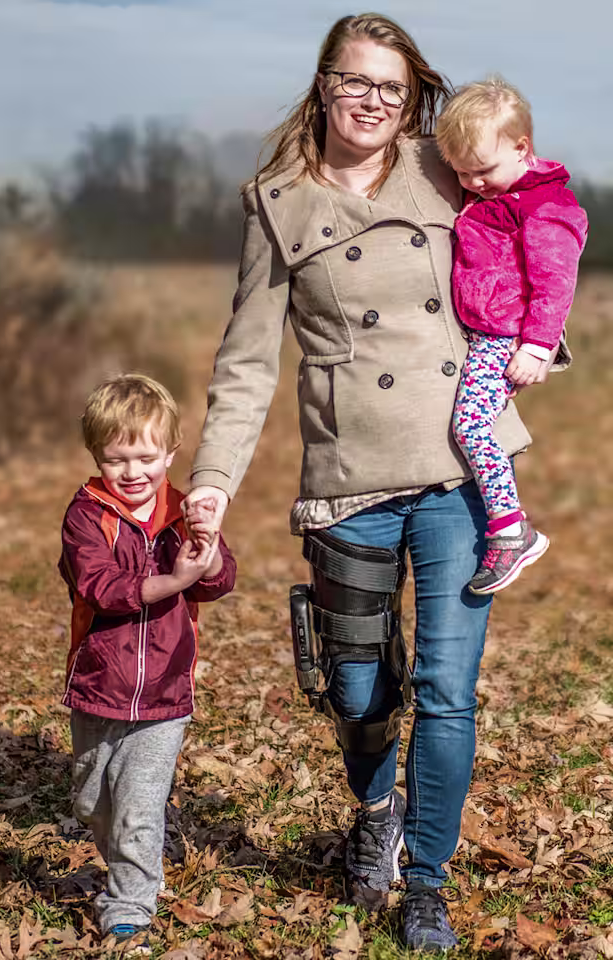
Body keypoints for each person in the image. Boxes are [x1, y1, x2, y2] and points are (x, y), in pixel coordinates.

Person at [183, 13, 569, 952]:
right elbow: (245, 364)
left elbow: (541, 226)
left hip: (458, 475)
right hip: (349, 478)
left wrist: (539, 336)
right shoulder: (276, 202)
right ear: (323, 84)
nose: (372, 102)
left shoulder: (444, 167)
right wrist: (209, 487)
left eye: (392, 89)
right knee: (358, 691)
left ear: (414, 99)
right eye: (356, 83)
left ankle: (426, 879)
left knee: (445, 688)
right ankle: (374, 812)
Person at [59, 374, 236, 952]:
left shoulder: (185, 511)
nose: (133, 472)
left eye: (146, 457)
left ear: (171, 453)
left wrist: (205, 555)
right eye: (117, 460)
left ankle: (130, 904)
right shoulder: (86, 516)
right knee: (91, 799)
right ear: (97, 458)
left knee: (139, 806)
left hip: (165, 691)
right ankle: (123, 862)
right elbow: (100, 585)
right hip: (97, 683)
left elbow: (220, 581)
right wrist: (172, 580)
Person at [434, 77, 587, 595]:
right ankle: (506, 523)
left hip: (505, 339)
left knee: (471, 427)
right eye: (463, 174)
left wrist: (538, 345)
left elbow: (554, 283)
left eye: (483, 170)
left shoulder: (545, 209)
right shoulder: (496, 192)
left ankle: (510, 527)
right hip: (481, 332)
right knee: (468, 424)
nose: (474, 183)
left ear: (522, 149)